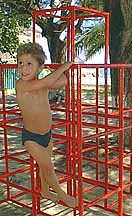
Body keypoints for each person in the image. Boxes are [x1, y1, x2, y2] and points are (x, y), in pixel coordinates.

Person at [16, 42, 77, 208]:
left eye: (29, 64)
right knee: (48, 167)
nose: (23, 68)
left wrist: (52, 68)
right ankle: (62, 194)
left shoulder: (43, 83)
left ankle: (45, 191)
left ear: (40, 67)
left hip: (46, 134)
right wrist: (63, 66)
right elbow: (48, 81)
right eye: (20, 63)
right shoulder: (21, 85)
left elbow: (63, 81)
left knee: (44, 166)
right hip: (31, 137)